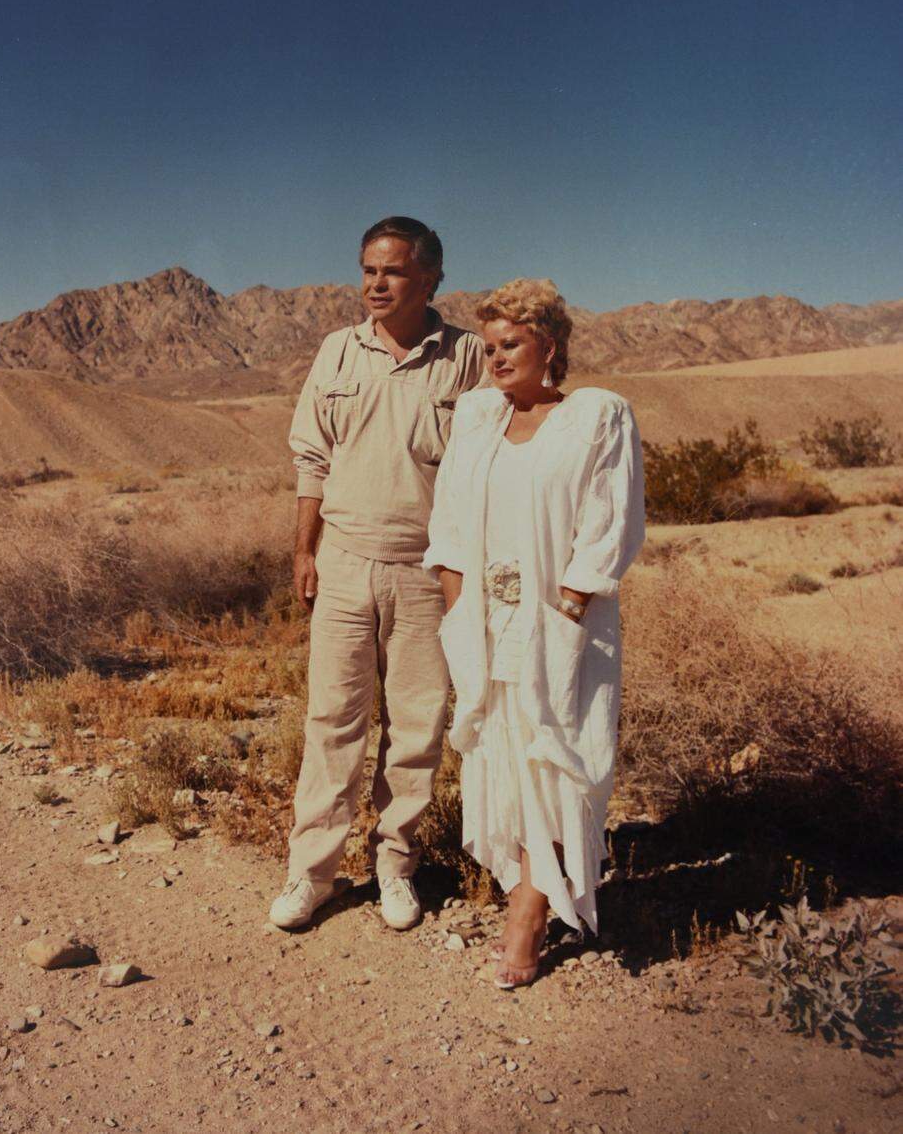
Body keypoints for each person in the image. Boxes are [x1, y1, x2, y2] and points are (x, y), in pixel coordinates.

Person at [423, 278, 645, 987]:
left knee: (560, 754)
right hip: (486, 622)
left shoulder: (597, 416)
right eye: (487, 346)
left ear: (549, 343)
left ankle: (529, 911)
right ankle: (531, 881)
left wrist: (568, 615)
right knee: (503, 755)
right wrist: (460, 614)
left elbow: (609, 525)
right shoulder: (480, 416)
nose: (494, 358)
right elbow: (451, 525)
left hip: (564, 623)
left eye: (510, 343)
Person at [269, 217, 485, 931]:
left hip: (427, 573)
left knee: (418, 726)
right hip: (343, 563)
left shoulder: (467, 359)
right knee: (332, 720)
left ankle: (395, 865)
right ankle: (313, 874)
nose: (375, 284)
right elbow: (312, 461)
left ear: (429, 278)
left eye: (391, 272)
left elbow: (491, 464)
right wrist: (304, 552)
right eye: (367, 270)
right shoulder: (336, 353)